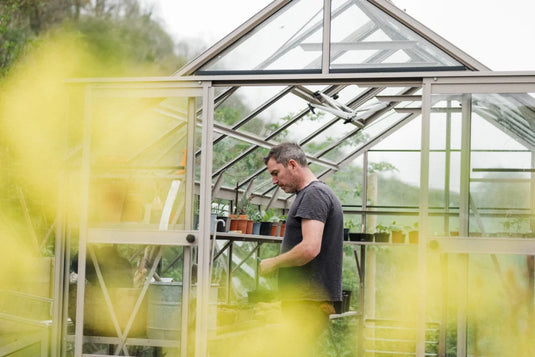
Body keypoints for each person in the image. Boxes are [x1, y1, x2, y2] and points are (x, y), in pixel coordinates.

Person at [259, 142, 344, 356]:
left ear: (292, 164)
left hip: (306, 303)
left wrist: (273, 263)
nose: (274, 180)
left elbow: (309, 248)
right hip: (307, 301)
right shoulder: (315, 193)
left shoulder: (313, 195)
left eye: (276, 173)